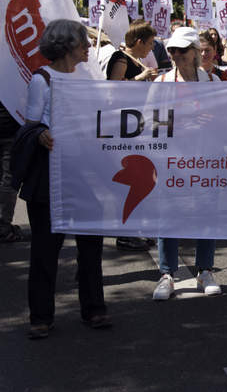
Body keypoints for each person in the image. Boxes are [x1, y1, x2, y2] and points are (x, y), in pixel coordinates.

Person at [15, 20, 110, 338]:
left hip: (83, 170)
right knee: (45, 249)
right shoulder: (42, 80)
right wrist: (41, 133)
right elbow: (28, 127)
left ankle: (94, 309)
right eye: (83, 40)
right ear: (67, 45)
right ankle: (40, 317)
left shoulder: (88, 77)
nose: (88, 45)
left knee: (91, 246)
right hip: (50, 174)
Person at [152, 28, 222, 300]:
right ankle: (167, 274)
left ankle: (204, 270)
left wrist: (212, 120)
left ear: (195, 52)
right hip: (171, 160)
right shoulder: (162, 83)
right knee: (169, 215)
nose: (176, 55)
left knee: (206, 212)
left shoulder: (213, 81)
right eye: (172, 50)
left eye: (182, 50)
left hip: (206, 159)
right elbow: (151, 123)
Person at [107, 21, 159, 252]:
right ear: (138, 42)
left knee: (141, 180)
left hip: (136, 124)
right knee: (132, 181)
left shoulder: (135, 60)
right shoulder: (120, 59)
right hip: (123, 127)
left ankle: (136, 228)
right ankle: (125, 233)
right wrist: (141, 77)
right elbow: (114, 87)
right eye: (149, 44)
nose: (151, 49)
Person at [0, 102, 23, 242]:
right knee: (9, 180)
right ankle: (4, 228)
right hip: (10, 130)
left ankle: (4, 226)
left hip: (9, 130)